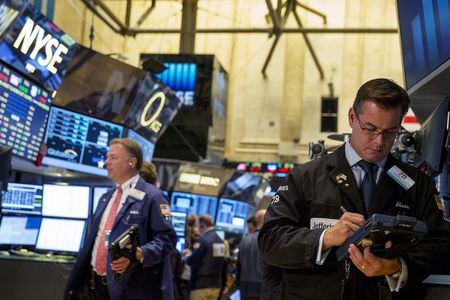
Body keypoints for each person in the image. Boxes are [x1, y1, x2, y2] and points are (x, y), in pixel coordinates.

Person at [258, 78, 450, 299]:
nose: (379, 141)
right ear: (352, 117)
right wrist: (324, 237)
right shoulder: (306, 177)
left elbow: (442, 245)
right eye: (370, 128)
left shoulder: (416, 184)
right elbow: (270, 240)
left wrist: (398, 266)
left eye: (390, 132)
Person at [64, 138, 177, 300]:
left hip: (127, 289)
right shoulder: (106, 197)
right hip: (92, 286)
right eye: (107, 157)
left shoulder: (154, 197)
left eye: (113, 158)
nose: (106, 162)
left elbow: (167, 239)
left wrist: (140, 253)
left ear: (131, 162)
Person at [186, 214, 226, 300]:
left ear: (202, 225)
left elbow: (193, 261)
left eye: (197, 225)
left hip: (200, 286)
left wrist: (187, 257)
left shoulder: (203, 240)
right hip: (215, 286)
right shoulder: (221, 241)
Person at [237, 209, 266, 300]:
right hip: (262, 289)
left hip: (244, 288)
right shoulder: (268, 240)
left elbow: (238, 267)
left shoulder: (244, 239)